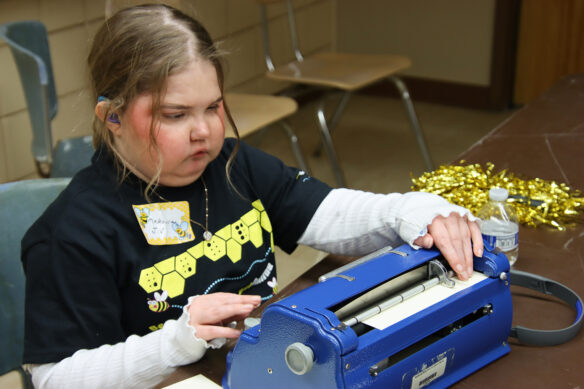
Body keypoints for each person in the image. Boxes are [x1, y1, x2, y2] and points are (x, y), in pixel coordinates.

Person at [21, 4, 483, 389]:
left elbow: (331, 213)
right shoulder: (74, 231)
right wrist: (175, 343)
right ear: (113, 117)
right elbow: (56, 377)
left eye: (213, 107)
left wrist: (414, 212)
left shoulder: (230, 164)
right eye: (176, 114)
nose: (204, 132)